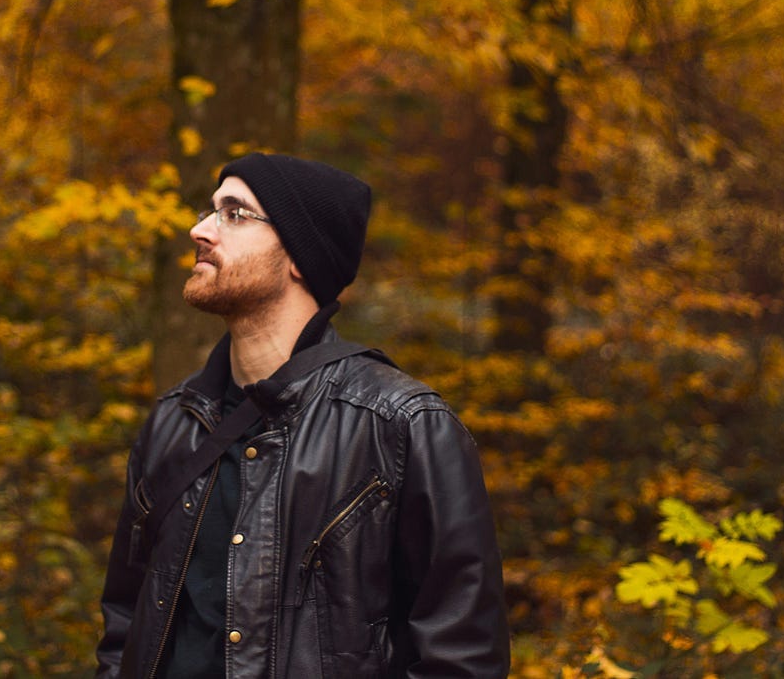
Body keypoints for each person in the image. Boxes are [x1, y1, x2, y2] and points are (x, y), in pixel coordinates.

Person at [95, 152, 509, 678]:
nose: (200, 229)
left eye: (234, 213)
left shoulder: (401, 426)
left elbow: (462, 658)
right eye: (209, 210)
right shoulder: (173, 422)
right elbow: (125, 626)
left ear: (299, 255)